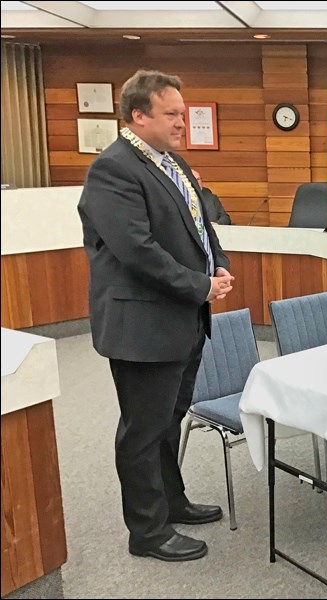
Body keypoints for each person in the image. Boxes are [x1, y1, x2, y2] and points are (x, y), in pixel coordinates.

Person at [77, 69, 235, 563]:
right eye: (172, 114)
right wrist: (200, 285)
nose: (182, 123)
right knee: (143, 430)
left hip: (183, 319)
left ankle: (172, 502)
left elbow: (199, 227)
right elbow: (137, 251)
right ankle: (146, 531)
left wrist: (220, 265)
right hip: (141, 327)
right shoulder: (113, 169)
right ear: (138, 115)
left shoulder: (171, 163)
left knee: (170, 418)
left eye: (183, 114)